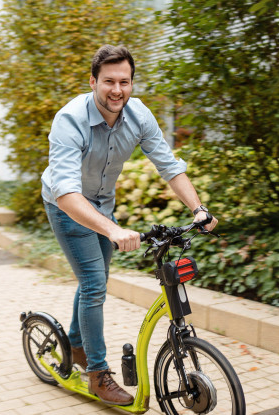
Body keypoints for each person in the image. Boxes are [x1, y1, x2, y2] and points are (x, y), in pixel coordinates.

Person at [40, 44, 217, 406]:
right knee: (94, 285)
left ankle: (75, 345)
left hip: (103, 205)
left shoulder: (138, 116)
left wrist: (199, 208)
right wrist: (113, 230)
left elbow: (169, 166)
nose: (117, 90)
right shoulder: (70, 120)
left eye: (124, 81)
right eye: (108, 81)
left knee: (96, 279)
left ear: (132, 83)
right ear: (93, 81)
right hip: (67, 207)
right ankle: (98, 374)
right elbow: (66, 192)